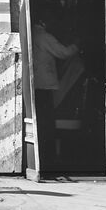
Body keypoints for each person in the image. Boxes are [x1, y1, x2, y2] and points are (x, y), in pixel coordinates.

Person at [32, 15, 80, 160]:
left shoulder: (33, 35)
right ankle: (49, 153)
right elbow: (63, 53)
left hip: (36, 82)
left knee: (39, 118)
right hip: (45, 83)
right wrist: (77, 45)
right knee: (47, 120)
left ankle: (41, 152)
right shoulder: (44, 36)